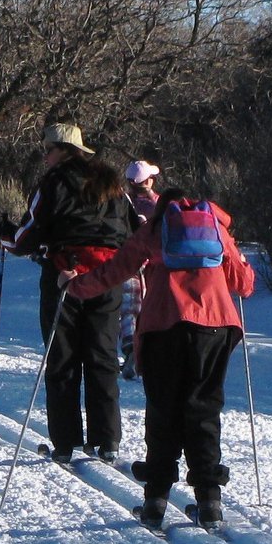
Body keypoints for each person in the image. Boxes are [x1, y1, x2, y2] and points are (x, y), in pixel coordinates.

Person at [62, 189, 256, 528]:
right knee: (203, 410)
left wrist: (74, 286)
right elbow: (245, 284)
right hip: (214, 328)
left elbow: (115, 271)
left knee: (163, 411)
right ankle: (209, 502)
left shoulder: (152, 230)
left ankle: (155, 502)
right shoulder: (215, 228)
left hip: (162, 327)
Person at [0, 123, 133, 461]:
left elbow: (27, 236)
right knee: (102, 356)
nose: (44, 157)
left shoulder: (53, 182)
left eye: (48, 150)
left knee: (63, 357)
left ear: (63, 150)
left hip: (65, 274)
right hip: (108, 276)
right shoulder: (113, 183)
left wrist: (4, 234)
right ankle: (107, 440)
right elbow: (133, 229)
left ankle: (65, 442)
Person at [118, 160, 161, 380]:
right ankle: (144, 356)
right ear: (149, 181)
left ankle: (131, 353)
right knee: (147, 312)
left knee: (128, 310)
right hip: (155, 267)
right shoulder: (160, 206)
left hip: (128, 264)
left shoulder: (123, 204)